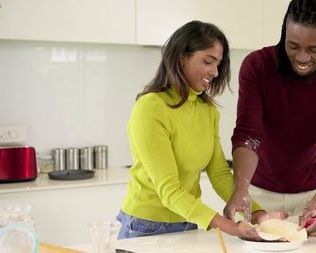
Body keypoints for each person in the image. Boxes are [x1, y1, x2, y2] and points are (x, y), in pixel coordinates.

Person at [117, 20, 285, 241]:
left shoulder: (207, 111)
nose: (215, 71)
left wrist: (259, 215)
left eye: (218, 64)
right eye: (208, 61)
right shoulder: (151, 107)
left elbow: (220, 174)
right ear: (181, 57)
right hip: (145, 228)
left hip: (187, 223)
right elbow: (169, 192)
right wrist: (230, 227)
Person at [224, 0, 316, 237]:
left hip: (310, 199)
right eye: (293, 45)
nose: (303, 57)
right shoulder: (258, 66)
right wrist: (241, 188)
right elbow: (248, 133)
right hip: (256, 196)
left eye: (314, 49)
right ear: (284, 33)